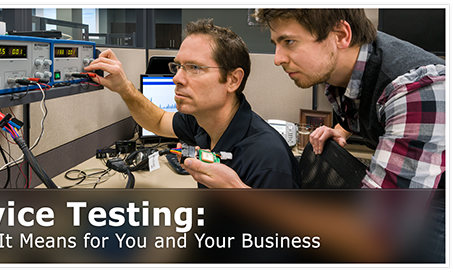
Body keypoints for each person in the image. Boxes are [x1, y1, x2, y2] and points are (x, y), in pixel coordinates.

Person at [181, 9, 445, 262]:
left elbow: (375, 238)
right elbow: (363, 101)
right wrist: (343, 128)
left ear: (341, 35)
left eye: (289, 42)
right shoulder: (340, 66)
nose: (277, 58)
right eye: (276, 43)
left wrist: (238, 192)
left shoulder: (416, 92)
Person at [84, 18, 300, 189]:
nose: (176, 78)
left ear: (233, 80)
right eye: (178, 66)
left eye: (194, 68)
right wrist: (124, 87)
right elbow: (158, 120)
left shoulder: (268, 159)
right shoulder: (202, 122)